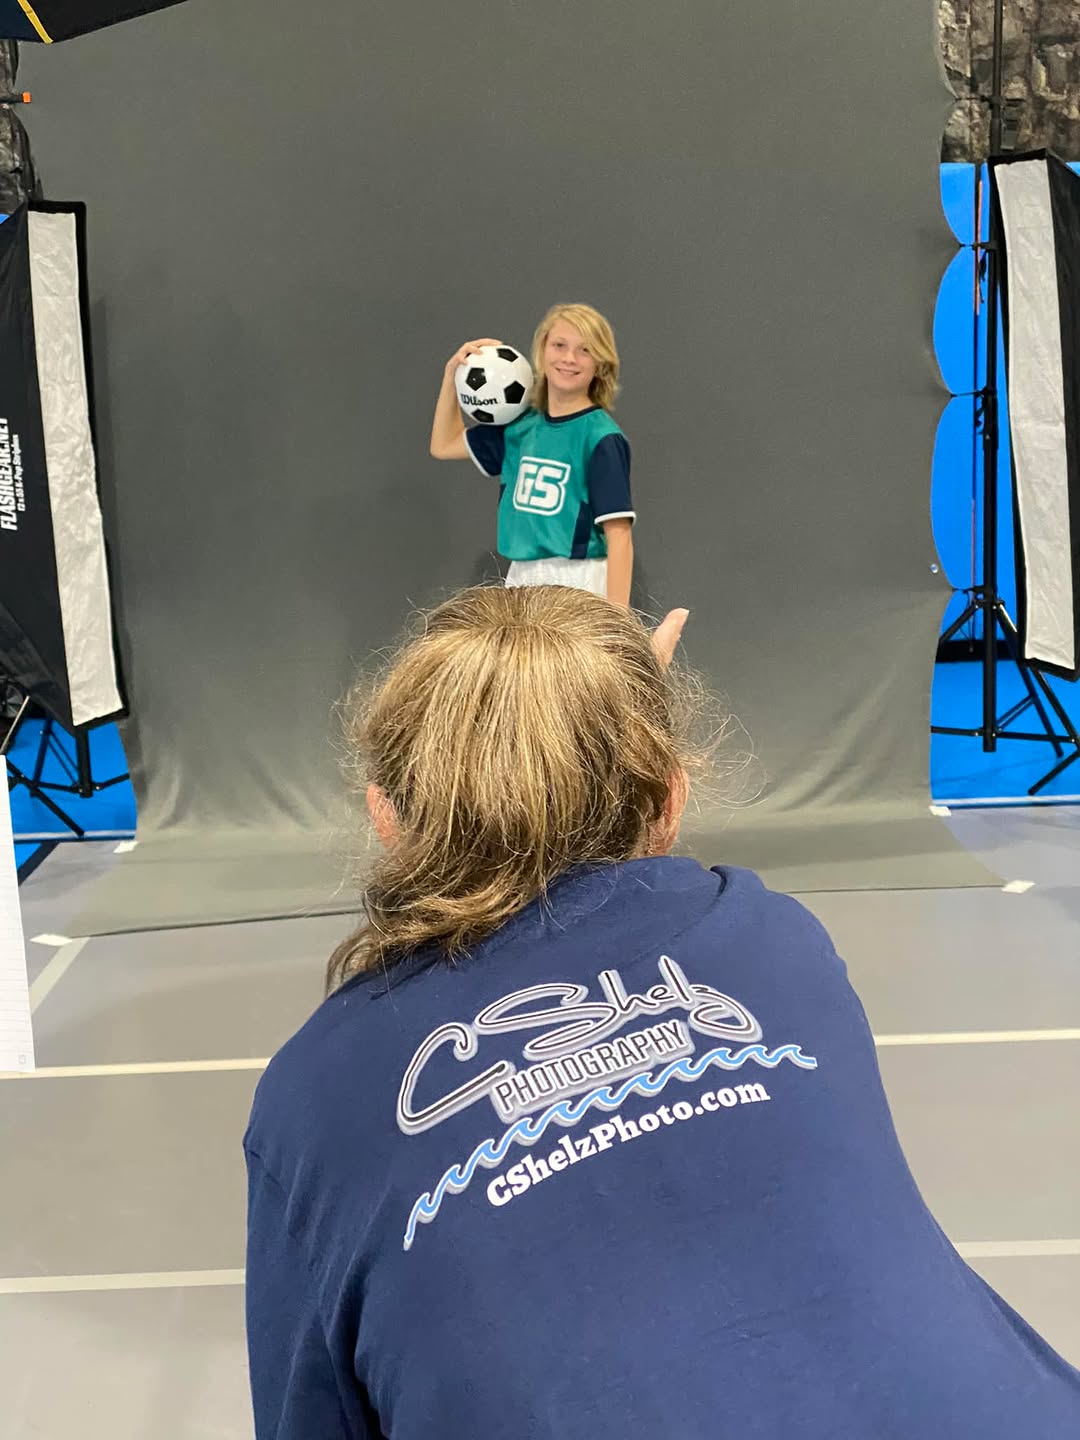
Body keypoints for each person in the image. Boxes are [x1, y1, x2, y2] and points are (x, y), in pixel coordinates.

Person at [244, 585, 1080, 1440]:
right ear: (673, 803)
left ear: (386, 816)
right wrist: (604, 720)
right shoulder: (774, 942)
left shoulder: (316, 1095)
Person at [429, 303, 635, 605]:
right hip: (520, 578)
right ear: (542, 349)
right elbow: (443, 444)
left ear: (600, 362)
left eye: (585, 350)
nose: (569, 358)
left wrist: (617, 619)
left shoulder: (601, 437)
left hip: (579, 580)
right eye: (559, 345)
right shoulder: (519, 426)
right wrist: (452, 375)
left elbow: (619, 537)